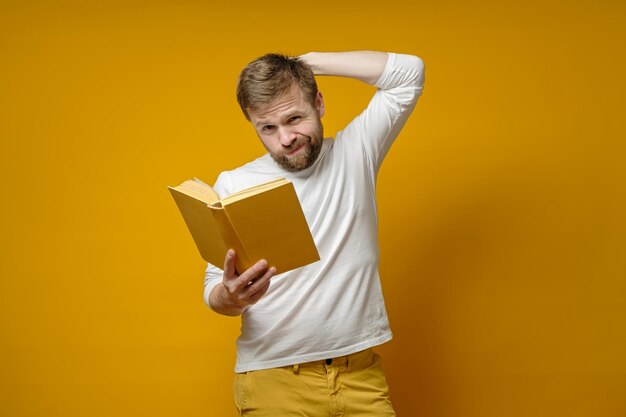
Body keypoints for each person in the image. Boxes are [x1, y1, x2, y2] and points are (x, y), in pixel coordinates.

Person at [204, 50, 425, 416]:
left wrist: (304, 64)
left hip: (361, 377)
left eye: (295, 118)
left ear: (318, 103)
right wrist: (229, 298)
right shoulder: (234, 184)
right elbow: (214, 288)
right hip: (274, 379)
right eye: (268, 128)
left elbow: (408, 73)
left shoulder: (356, 153)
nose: (286, 138)